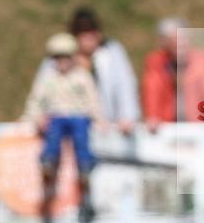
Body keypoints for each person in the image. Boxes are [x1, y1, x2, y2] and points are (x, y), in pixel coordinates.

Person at [22, 33, 105, 223]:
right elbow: (36, 100)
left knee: (80, 133)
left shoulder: (82, 76)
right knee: (54, 131)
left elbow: (92, 99)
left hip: (78, 117)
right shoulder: (48, 78)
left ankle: (85, 164)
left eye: (65, 57)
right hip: (57, 117)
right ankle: (48, 159)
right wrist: (32, 118)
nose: (62, 62)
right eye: (57, 58)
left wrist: (99, 118)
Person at [36, 7, 140, 135]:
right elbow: (40, 91)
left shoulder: (112, 53)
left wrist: (127, 116)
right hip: (63, 127)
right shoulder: (57, 57)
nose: (90, 38)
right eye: (84, 33)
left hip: (105, 127)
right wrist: (38, 117)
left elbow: (124, 86)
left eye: (93, 32)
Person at [142, 17, 204, 132]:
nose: (182, 43)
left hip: (197, 126)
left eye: (184, 38)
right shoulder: (156, 63)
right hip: (167, 127)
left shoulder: (201, 61)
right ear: (165, 42)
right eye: (175, 39)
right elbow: (152, 91)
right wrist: (153, 117)